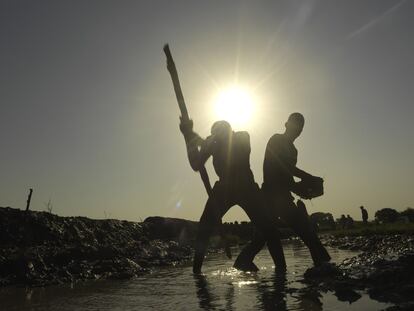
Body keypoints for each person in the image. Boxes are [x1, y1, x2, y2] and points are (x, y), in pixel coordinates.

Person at [179, 118, 286, 274]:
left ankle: (282, 270)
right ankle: (197, 273)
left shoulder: (242, 136)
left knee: (268, 228)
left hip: (246, 187)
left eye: (219, 132)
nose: (216, 136)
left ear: (230, 130)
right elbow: (196, 164)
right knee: (204, 228)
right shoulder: (212, 144)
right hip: (224, 189)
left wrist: (196, 136)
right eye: (213, 133)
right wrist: (188, 136)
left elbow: (229, 147)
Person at [234, 113, 331, 270]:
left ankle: (321, 263)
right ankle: (321, 263)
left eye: (301, 127)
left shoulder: (294, 150)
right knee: (266, 236)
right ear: (286, 125)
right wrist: (309, 177)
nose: (298, 129)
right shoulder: (276, 140)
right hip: (269, 196)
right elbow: (281, 166)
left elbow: (287, 178)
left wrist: (303, 190)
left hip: (284, 197)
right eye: (295, 125)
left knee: (301, 230)